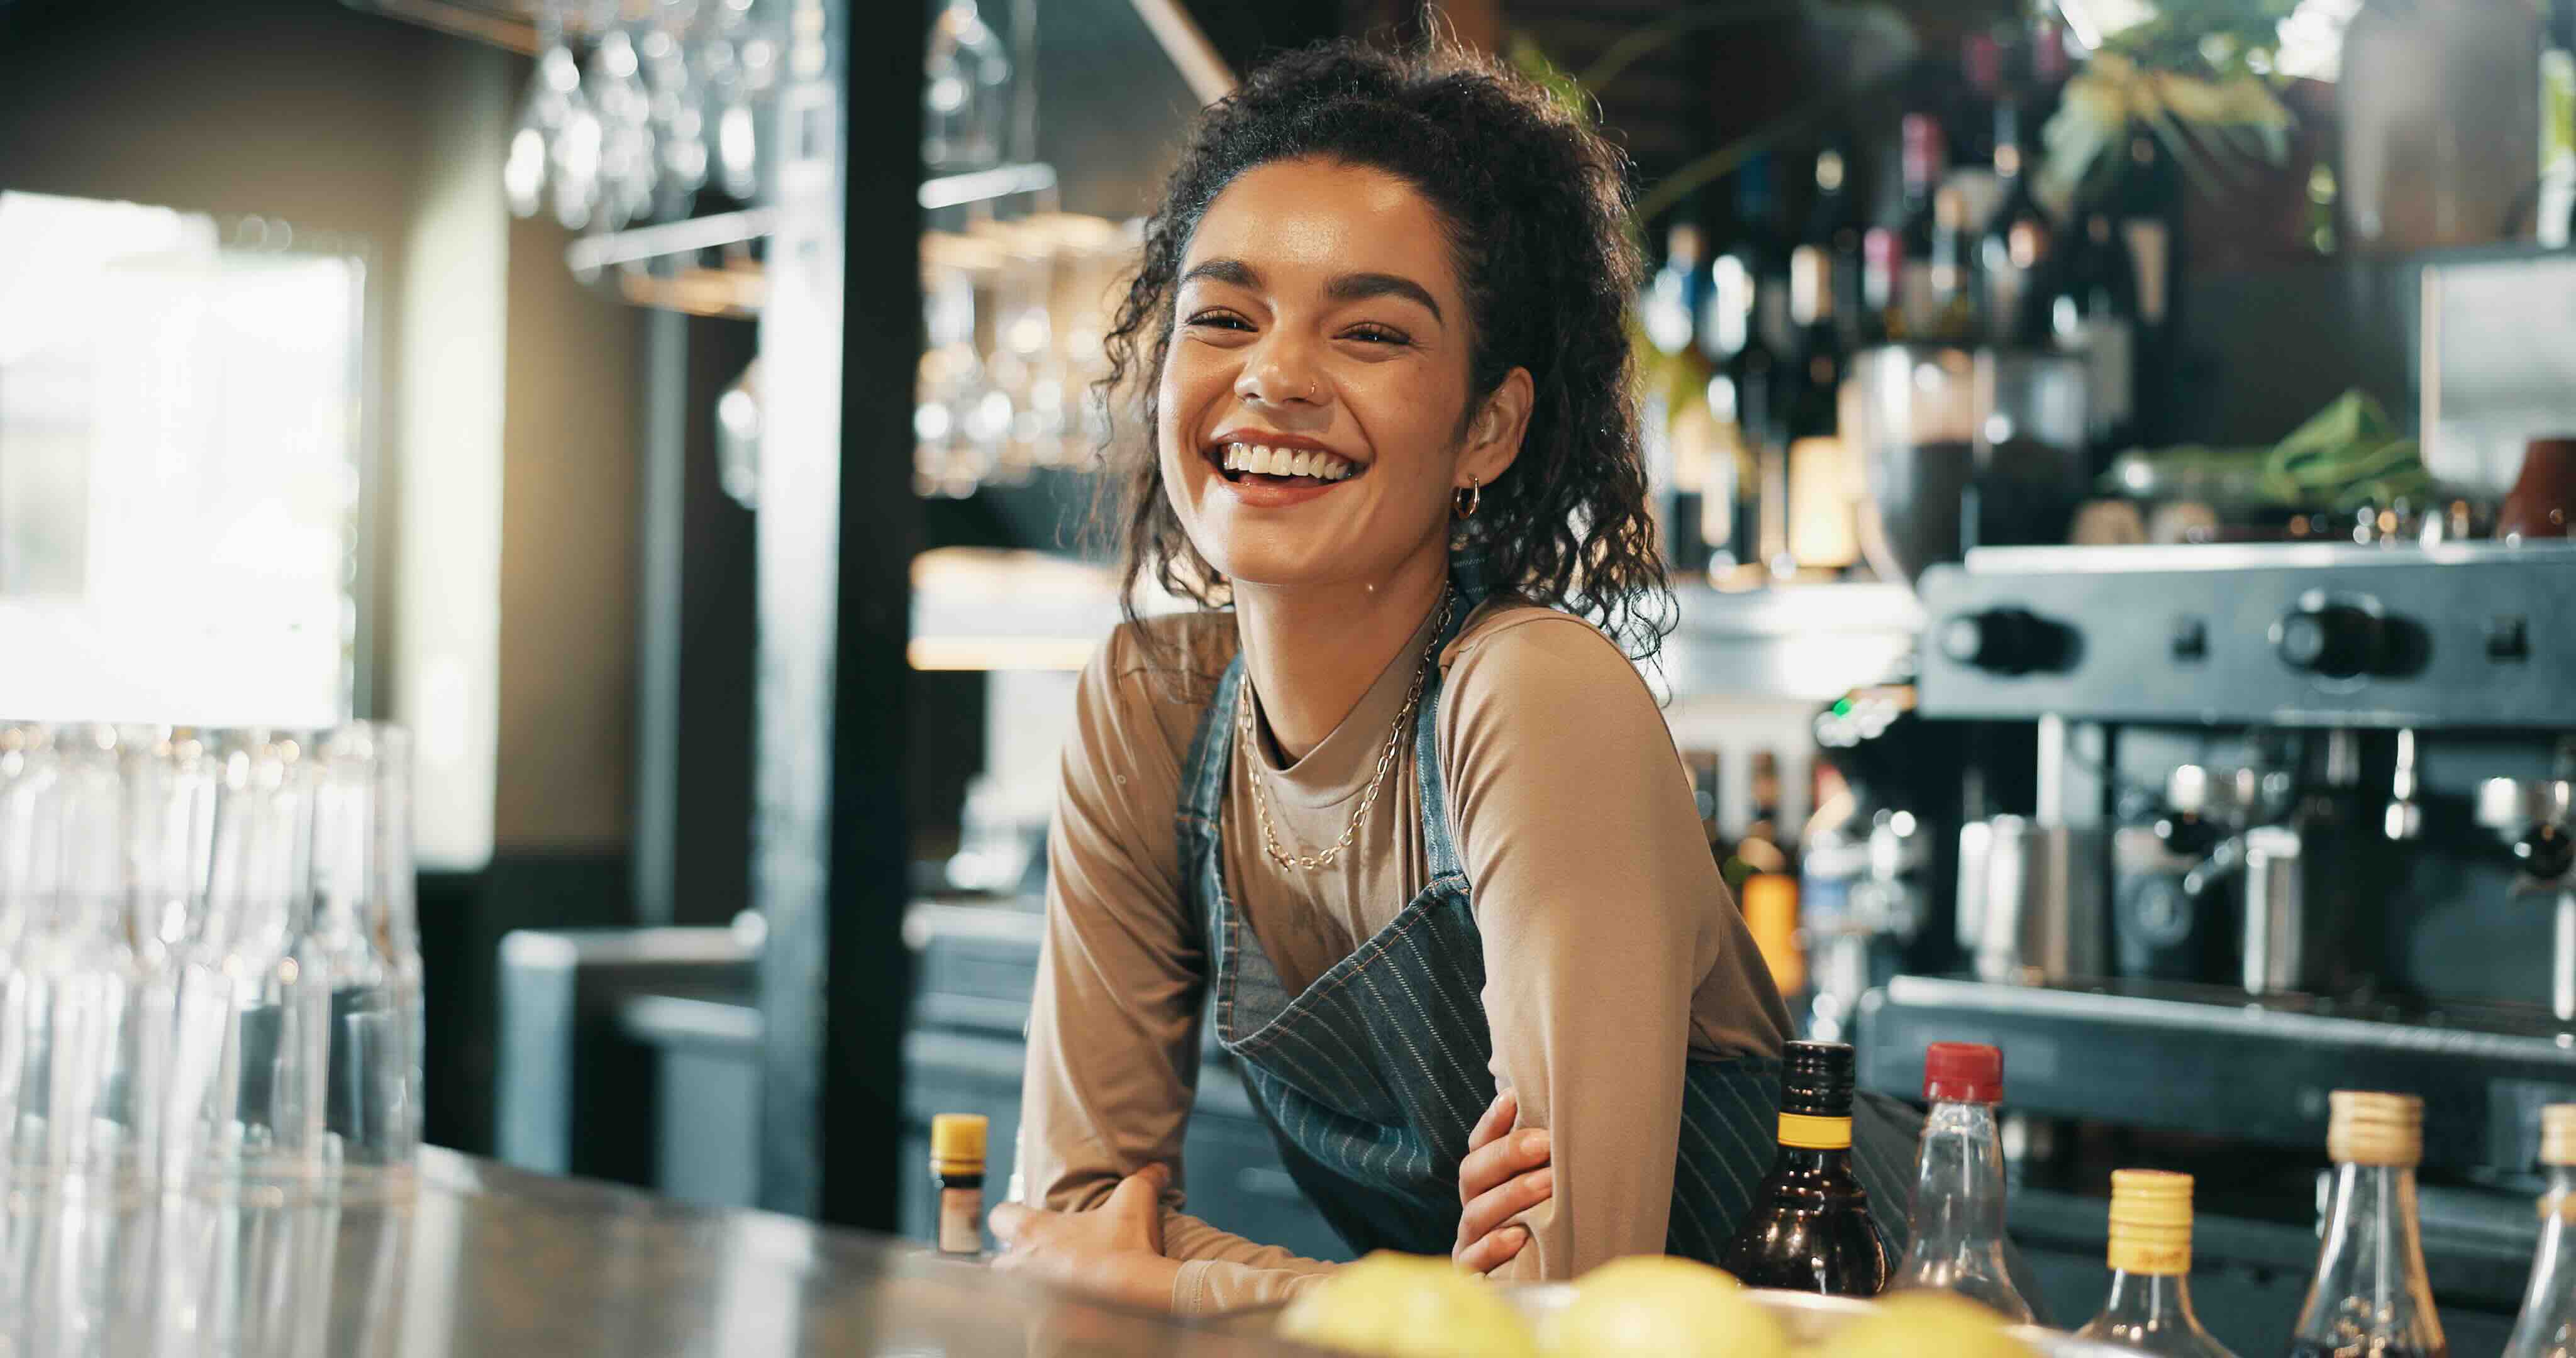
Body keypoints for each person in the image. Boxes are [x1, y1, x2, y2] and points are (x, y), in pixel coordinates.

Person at [985, 37, 1917, 1317]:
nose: (1272, 377)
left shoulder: (1530, 696)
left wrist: (1192, 1275)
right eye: (1221, 316)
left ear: (1487, 425)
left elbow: (1568, 1306)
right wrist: (1419, 1304)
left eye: (1368, 332)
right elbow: (1069, 1226)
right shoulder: (1150, 707)